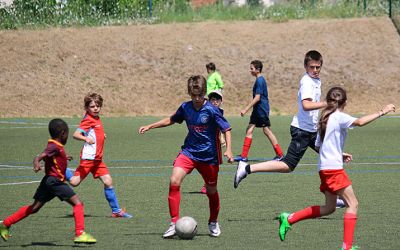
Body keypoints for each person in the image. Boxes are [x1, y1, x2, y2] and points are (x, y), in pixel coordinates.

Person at [276, 87, 395, 250]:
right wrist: (383, 111)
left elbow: (319, 145)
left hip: (324, 168)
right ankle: (346, 247)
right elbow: (359, 122)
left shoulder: (324, 118)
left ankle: (289, 219)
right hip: (333, 170)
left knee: (329, 208)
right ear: (344, 102)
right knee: (353, 204)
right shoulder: (338, 117)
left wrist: (339, 153)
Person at [138, 75, 234, 238]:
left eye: (200, 95)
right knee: (174, 180)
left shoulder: (212, 110)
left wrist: (229, 150)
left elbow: (227, 129)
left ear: (204, 93)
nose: (196, 99)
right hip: (189, 152)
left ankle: (213, 221)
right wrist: (150, 125)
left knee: (211, 191)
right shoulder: (185, 107)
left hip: (209, 157)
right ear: (189, 93)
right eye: (193, 95)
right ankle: (174, 223)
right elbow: (172, 119)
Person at [0, 119, 96, 244]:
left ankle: (6, 224)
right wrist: (36, 163)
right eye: (67, 133)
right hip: (55, 181)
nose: (67, 136)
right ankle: (80, 233)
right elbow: (41, 156)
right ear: (62, 133)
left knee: (34, 208)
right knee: (78, 204)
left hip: (48, 182)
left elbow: (49, 157)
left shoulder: (55, 146)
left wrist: (63, 157)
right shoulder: (54, 146)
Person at [65, 93, 132, 218]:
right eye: (92, 106)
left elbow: (95, 131)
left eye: (98, 106)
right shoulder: (88, 119)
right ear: (86, 108)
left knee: (108, 181)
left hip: (98, 160)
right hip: (89, 159)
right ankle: (61, 168)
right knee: (74, 182)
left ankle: (116, 211)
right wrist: (86, 138)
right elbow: (76, 134)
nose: (95, 108)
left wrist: (101, 135)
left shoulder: (96, 118)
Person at [234, 59, 284, 162]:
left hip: (261, 110)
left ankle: (280, 154)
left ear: (258, 69)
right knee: (249, 129)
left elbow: (257, 98)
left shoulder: (260, 80)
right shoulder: (258, 80)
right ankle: (243, 156)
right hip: (257, 110)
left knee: (266, 130)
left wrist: (245, 109)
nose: (250, 70)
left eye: (251, 68)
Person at [200, 89, 226, 194]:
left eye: (217, 100)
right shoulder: (205, 110)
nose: (215, 102)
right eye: (213, 99)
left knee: (215, 166)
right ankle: (207, 184)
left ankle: (209, 185)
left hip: (215, 144)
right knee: (203, 165)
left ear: (221, 102)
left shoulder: (220, 112)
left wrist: (222, 138)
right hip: (204, 142)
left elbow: (222, 127)